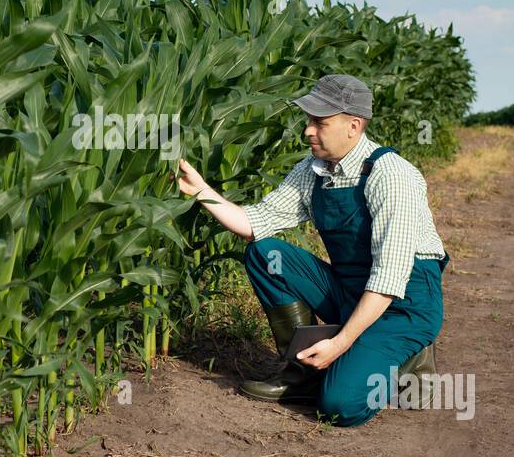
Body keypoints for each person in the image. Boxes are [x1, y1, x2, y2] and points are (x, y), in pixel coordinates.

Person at [174, 74, 450, 426]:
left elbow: (389, 278)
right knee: (265, 253)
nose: (308, 130)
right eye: (308, 120)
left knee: (339, 406)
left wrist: (339, 345)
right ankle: (302, 372)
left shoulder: (392, 175)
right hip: (352, 292)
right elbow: (256, 222)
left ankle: (410, 357)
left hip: (402, 306)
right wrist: (202, 191)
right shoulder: (312, 171)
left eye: (320, 122)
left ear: (353, 126)